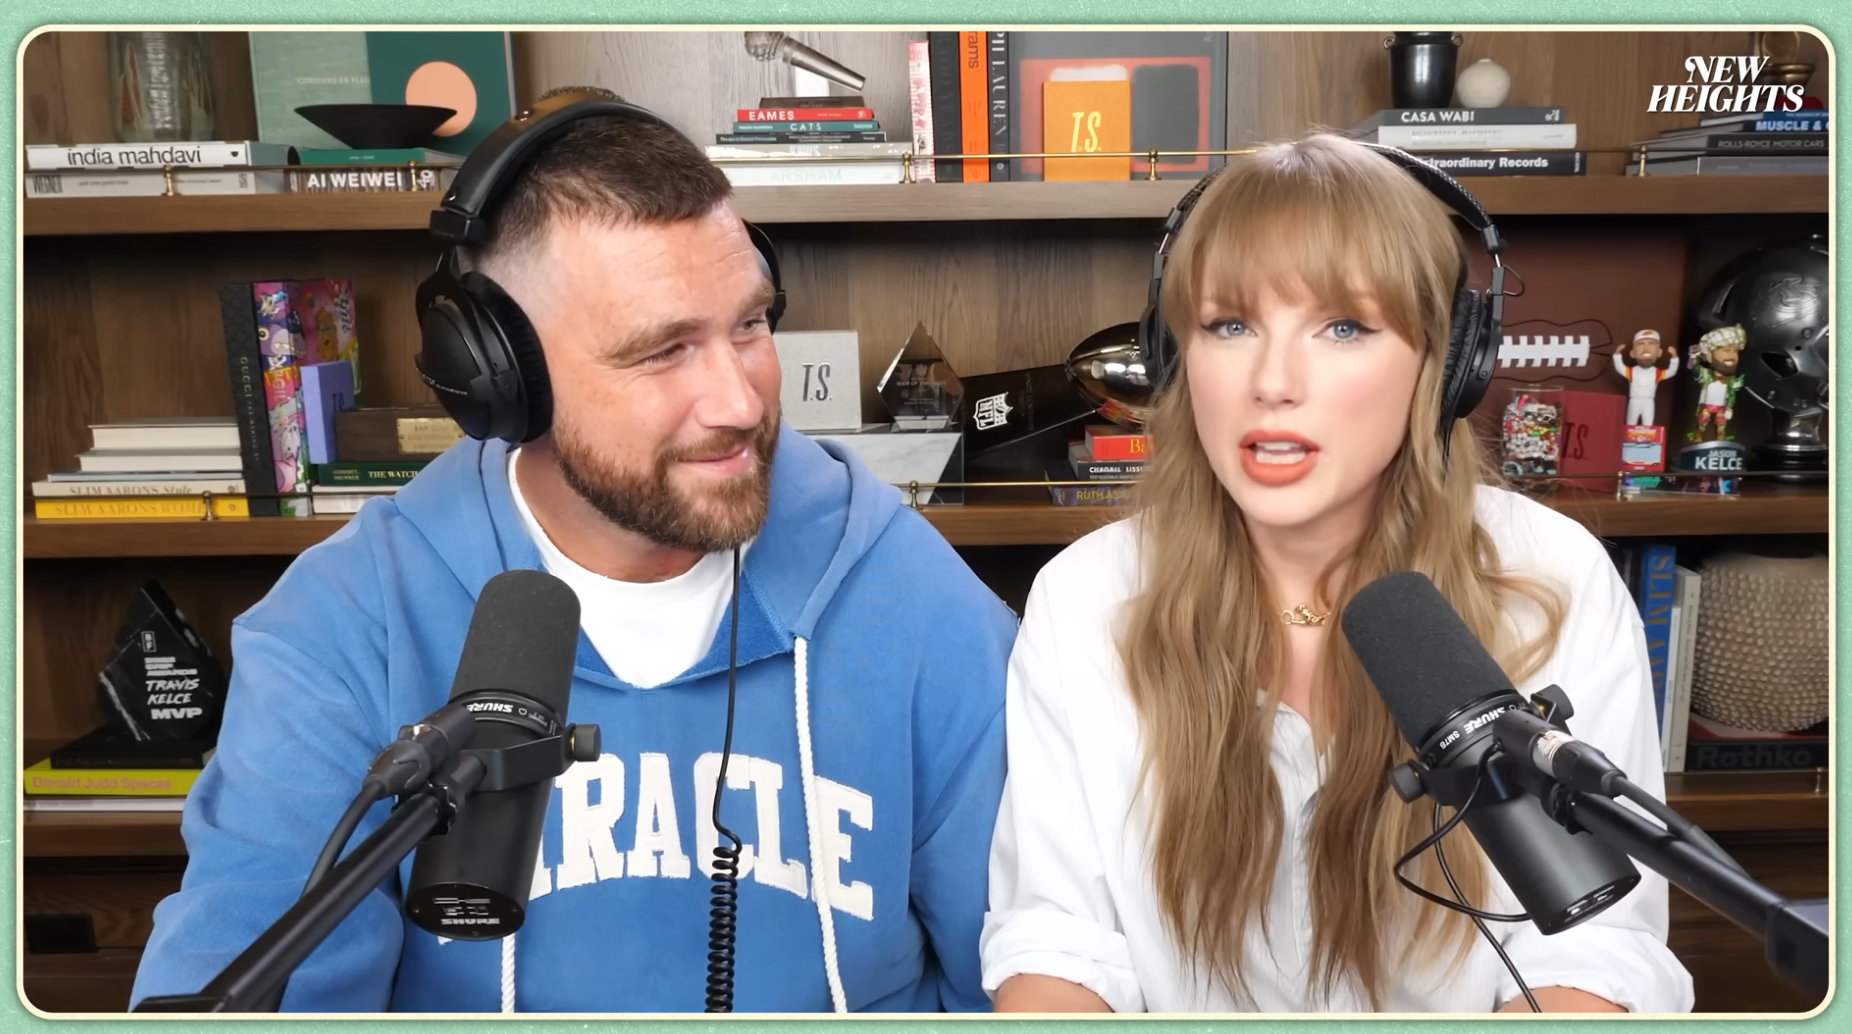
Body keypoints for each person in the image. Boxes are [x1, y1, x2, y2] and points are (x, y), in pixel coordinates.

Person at [130, 90, 1018, 1014]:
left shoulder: (913, 595)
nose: (741, 401)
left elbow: (1027, 975)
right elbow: (253, 978)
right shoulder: (344, 627)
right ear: (502, 380)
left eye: (749, 325)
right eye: (663, 350)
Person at [979, 134, 1694, 1014]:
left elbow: (1596, 954)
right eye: (1228, 325)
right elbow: (1059, 942)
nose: (1272, 382)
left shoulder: (1553, 580)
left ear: (1445, 363)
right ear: (1175, 360)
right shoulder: (1086, 599)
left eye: (1345, 326)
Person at [1612, 328, 1679, 427]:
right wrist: (1617, 355)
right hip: (1634, 401)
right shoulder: (1632, 371)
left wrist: (1674, 358)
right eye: (1641, 344)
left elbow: (1671, 371)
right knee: (1630, 424)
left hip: (1649, 401)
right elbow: (1620, 368)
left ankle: (1647, 441)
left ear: (1659, 352)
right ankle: (1628, 441)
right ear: (1632, 353)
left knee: (1648, 425)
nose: (1646, 349)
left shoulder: (1657, 373)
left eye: (1651, 343)